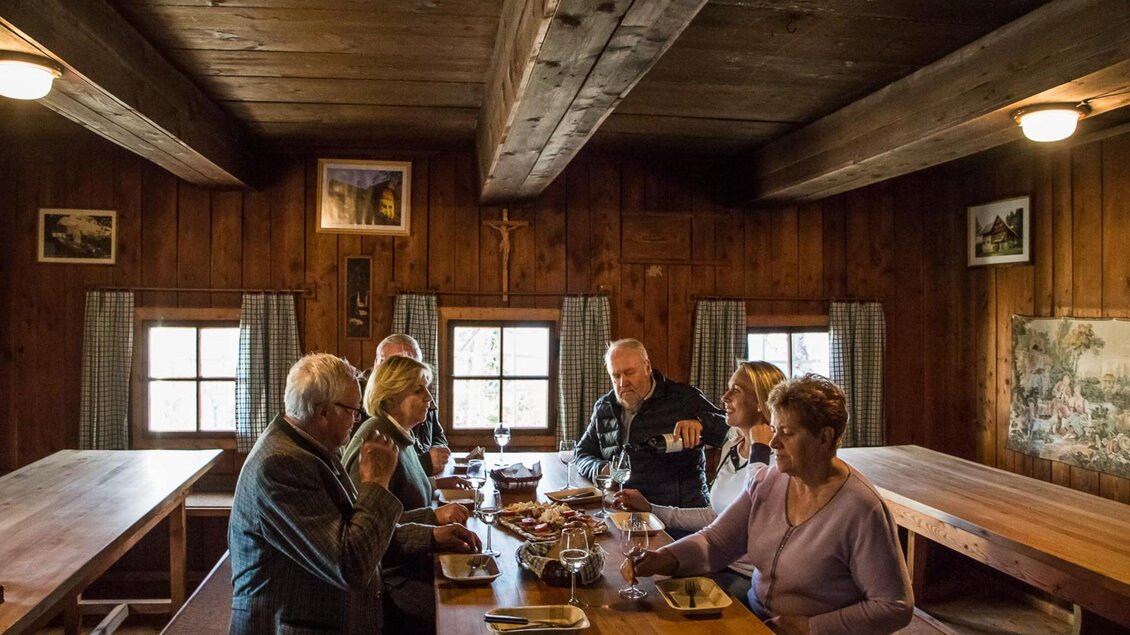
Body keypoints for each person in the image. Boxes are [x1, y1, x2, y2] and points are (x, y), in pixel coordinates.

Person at [623, 374, 914, 635]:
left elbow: (894, 606)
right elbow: (716, 542)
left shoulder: (861, 508)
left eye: (787, 433)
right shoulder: (769, 480)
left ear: (824, 438)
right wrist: (663, 558)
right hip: (753, 617)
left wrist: (812, 627)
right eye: (774, 429)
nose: (773, 443)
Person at [228, 353, 402, 634]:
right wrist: (377, 482)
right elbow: (349, 564)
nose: (357, 420)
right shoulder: (280, 465)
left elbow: (354, 527)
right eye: (353, 410)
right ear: (323, 412)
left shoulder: (310, 447)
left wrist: (429, 535)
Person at [613, 360, 784, 605]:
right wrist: (652, 509)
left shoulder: (780, 456)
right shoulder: (733, 444)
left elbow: (754, 509)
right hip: (719, 563)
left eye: (736, 390)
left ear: (761, 402)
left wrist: (759, 448)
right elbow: (715, 517)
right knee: (645, 589)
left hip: (753, 579)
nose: (725, 397)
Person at [342, 355, 478, 635]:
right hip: (390, 581)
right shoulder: (377, 440)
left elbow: (402, 495)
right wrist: (433, 518)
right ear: (390, 397)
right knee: (469, 614)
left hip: (414, 562)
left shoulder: (400, 434)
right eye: (418, 390)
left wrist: (435, 484)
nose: (430, 398)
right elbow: (366, 526)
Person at [575, 338, 728, 508]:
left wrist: (703, 424)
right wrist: (601, 469)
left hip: (678, 514)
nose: (622, 383)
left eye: (629, 372)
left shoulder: (682, 399)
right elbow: (582, 453)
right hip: (624, 509)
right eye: (616, 376)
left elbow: (734, 430)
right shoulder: (605, 407)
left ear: (647, 367)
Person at [374, 334, 450, 476]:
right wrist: (426, 463)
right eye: (399, 365)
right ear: (378, 364)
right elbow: (385, 477)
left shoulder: (422, 399)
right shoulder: (371, 416)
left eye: (414, 365)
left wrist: (438, 454)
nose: (428, 397)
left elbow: (438, 436)